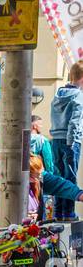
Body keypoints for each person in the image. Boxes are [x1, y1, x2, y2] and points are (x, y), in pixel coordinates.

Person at [50, 64, 83, 225]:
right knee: (70, 176)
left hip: (56, 138)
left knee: (58, 176)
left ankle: (58, 212)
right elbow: (75, 121)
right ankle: (68, 212)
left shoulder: (58, 93)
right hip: (71, 141)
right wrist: (72, 141)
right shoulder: (78, 95)